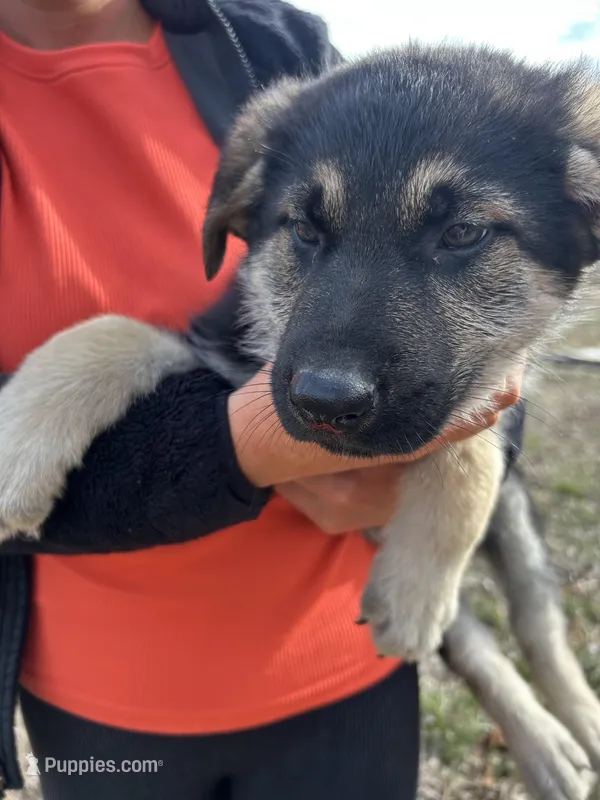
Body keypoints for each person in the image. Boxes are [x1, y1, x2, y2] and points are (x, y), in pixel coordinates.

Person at [0, 1, 523, 798]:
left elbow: (509, 307)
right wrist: (245, 443)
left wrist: (463, 457)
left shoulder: (271, 44)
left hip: (345, 667)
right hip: (101, 701)